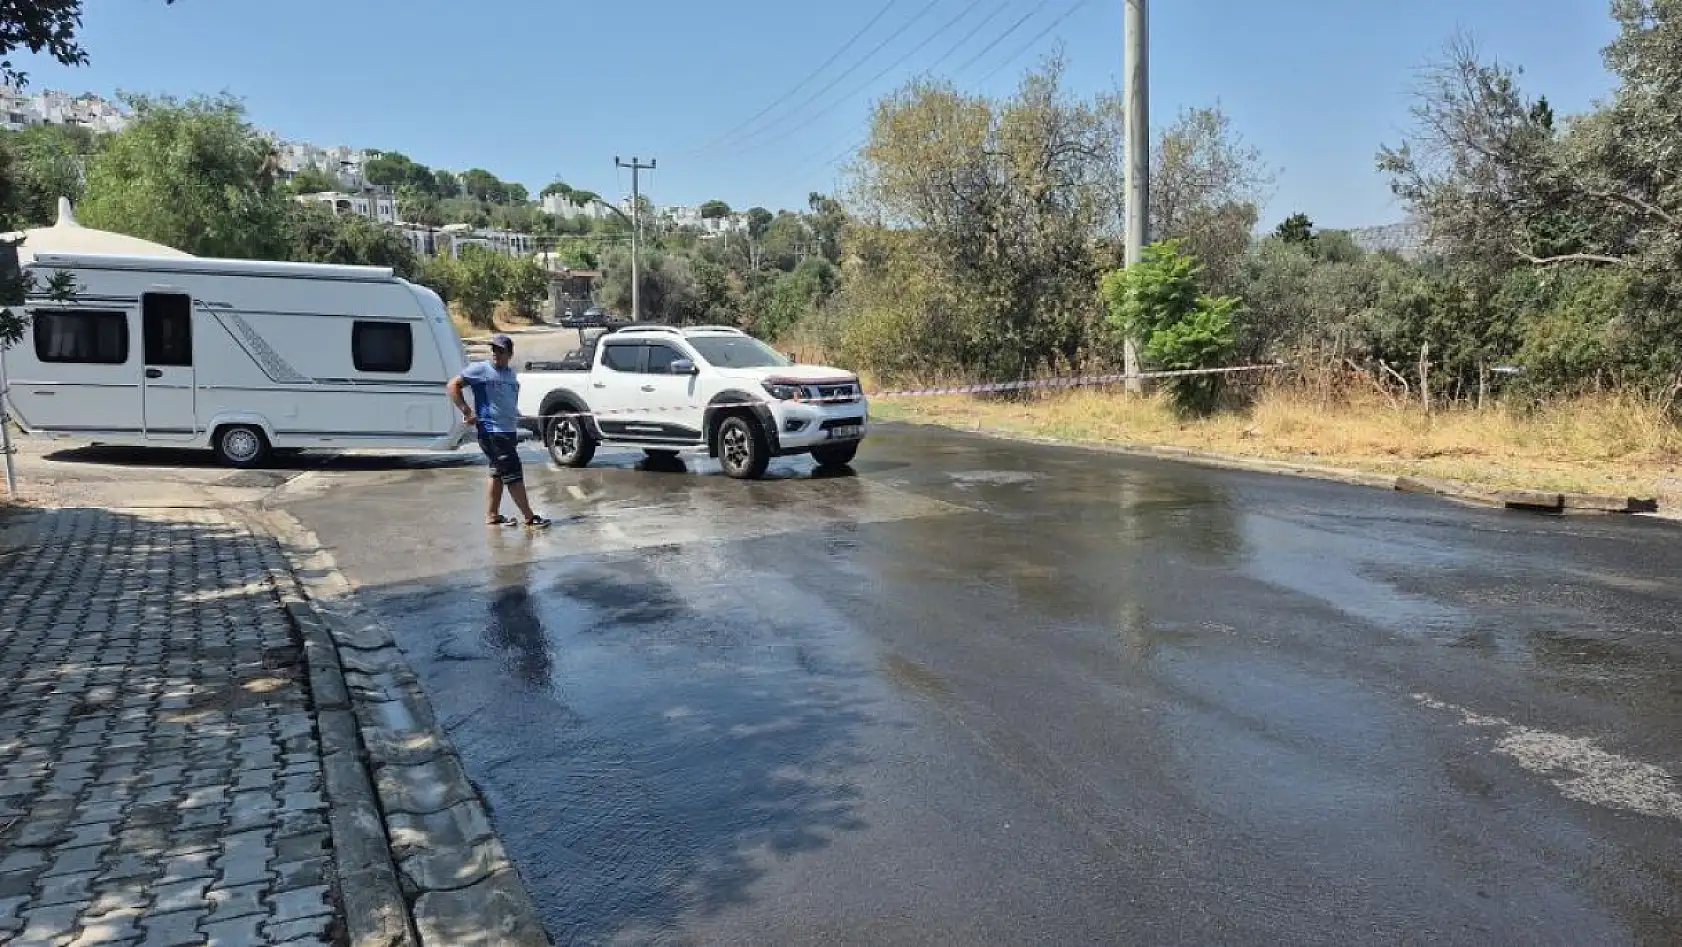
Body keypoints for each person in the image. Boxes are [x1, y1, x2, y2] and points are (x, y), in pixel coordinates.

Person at [447, 334, 552, 528]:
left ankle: (492, 515)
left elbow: (509, 399)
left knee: (497, 472)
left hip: (507, 430)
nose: (496, 353)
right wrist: (467, 411)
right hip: (492, 432)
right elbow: (452, 385)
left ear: (510, 354)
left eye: (500, 350)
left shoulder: (510, 374)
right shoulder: (480, 370)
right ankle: (529, 517)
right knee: (513, 473)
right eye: (494, 349)